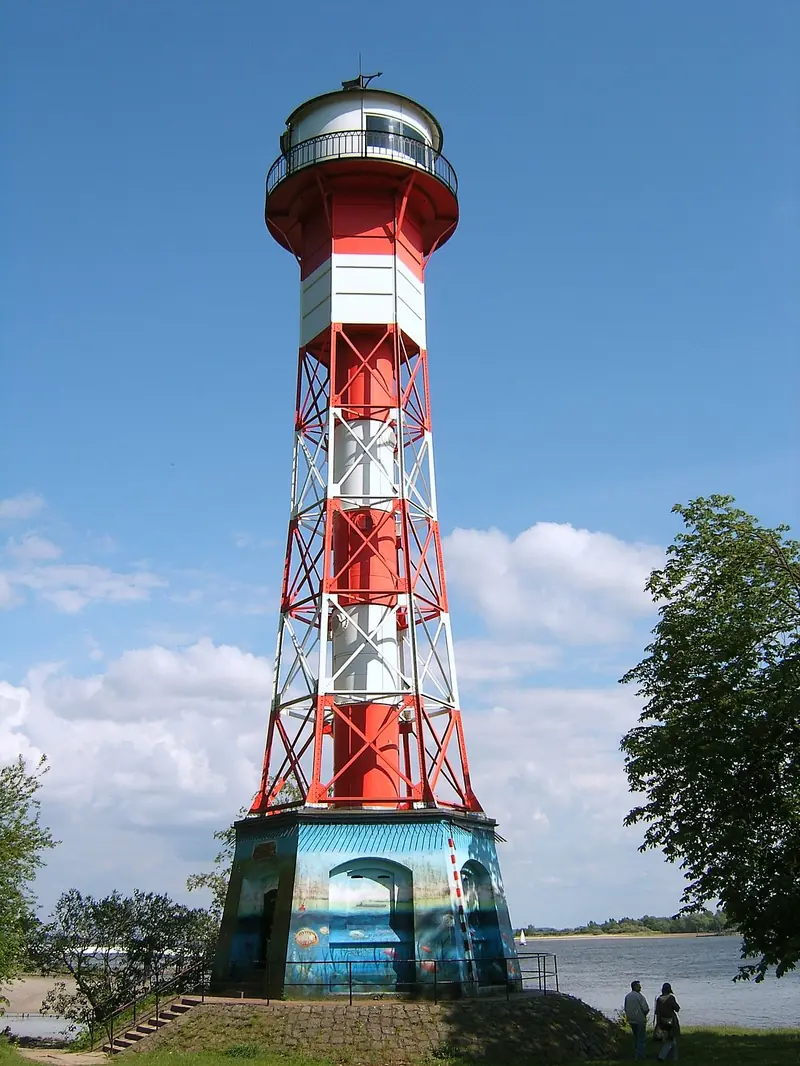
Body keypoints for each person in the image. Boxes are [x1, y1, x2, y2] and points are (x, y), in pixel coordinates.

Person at [623, 979, 650, 1060]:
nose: (640, 987)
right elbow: (646, 1009)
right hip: (640, 1020)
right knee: (641, 1038)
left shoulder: (627, 996)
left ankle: (636, 1055)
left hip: (631, 1020)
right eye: (639, 986)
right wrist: (643, 1015)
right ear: (635, 987)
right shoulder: (640, 996)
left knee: (636, 1037)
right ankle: (640, 1056)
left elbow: (625, 1008)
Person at [655, 981, 681, 1061]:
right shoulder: (671, 998)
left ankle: (674, 1057)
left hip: (662, 1021)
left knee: (671, 1039)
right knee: (670, 1039)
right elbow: (677, 1008)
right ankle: (662, 1057)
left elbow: (657, 1012)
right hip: (671, 1021)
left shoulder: (659, 999)